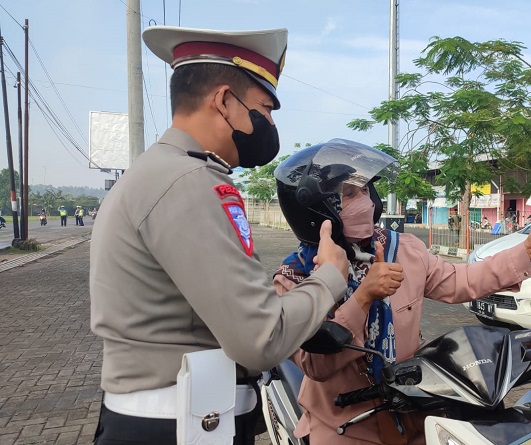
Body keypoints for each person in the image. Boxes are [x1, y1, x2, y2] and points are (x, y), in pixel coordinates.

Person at [89, 26, 351, 445]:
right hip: (181, 427)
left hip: (170, 418)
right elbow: (259, 338)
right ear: (225, 101)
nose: (269, 123)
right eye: (265, 108)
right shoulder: (188, 183)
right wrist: (331, 277)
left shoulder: (156, 173)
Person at [271, 140, 531, 444]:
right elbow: (317, 365)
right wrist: (363, 297)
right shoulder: (295, 279)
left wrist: (527, 251)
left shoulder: (402, 249)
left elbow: (460, 280)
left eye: (365, 191)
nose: (365, 202)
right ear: (315, 210)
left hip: (414, 407)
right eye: (349, 194)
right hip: (343, 423)